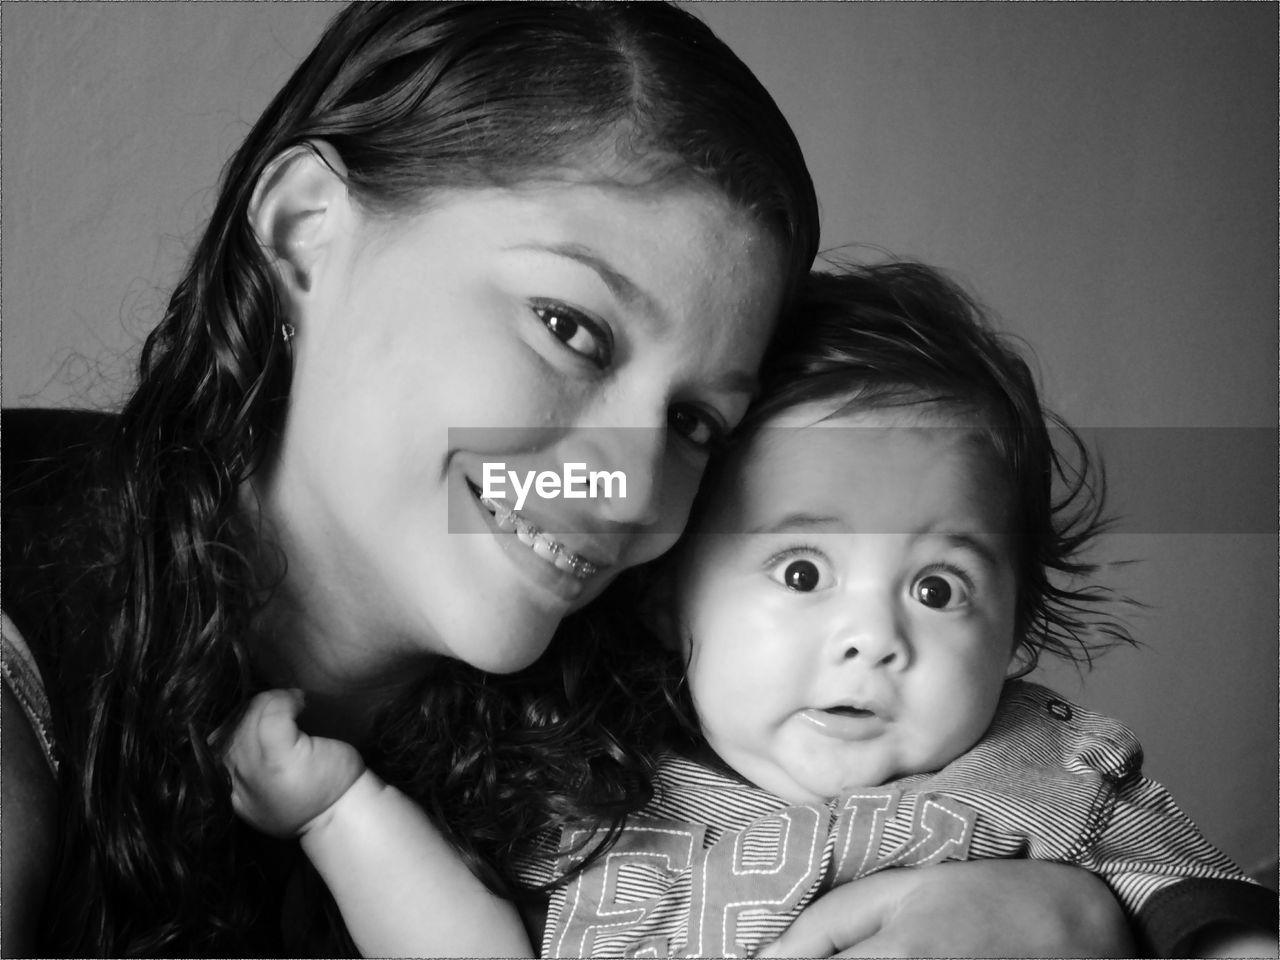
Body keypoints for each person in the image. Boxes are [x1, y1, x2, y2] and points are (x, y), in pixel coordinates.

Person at [2, 3, 1135, 955]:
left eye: (695, 421)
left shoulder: (695, 700)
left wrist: (1083, 914)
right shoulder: (29, 628)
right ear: (305, 235)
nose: (631, 484)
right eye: (570, 329)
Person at [225, 262, 1277, 958]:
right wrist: (339, 815)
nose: (874, 639)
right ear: (666, 594)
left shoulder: (1037, 774)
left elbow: (1204, 912)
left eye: (937, 588)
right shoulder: (587, 792)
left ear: (1011, 637)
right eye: (803, 573)